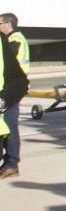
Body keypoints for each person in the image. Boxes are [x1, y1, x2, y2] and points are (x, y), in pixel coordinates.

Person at [0, 13, 29, 179]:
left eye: (0, 23)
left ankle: (12, 164)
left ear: (8, 24)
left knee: (9, 127)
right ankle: (9, 162)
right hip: (12, 90)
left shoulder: (14, 40)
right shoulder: (16, 38)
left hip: (11, 91)